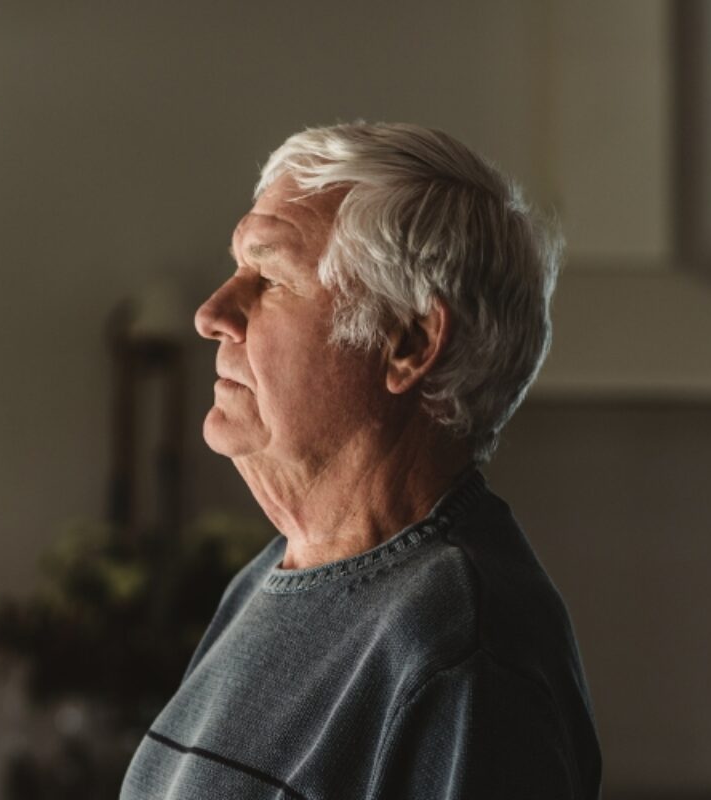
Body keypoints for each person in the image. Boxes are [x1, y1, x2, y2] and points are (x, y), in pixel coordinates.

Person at [120, 123, 600, 799]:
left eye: (270, 278)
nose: (213, 314)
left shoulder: (462, 651)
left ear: (408, 341)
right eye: (237, 269)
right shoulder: (273, 576)